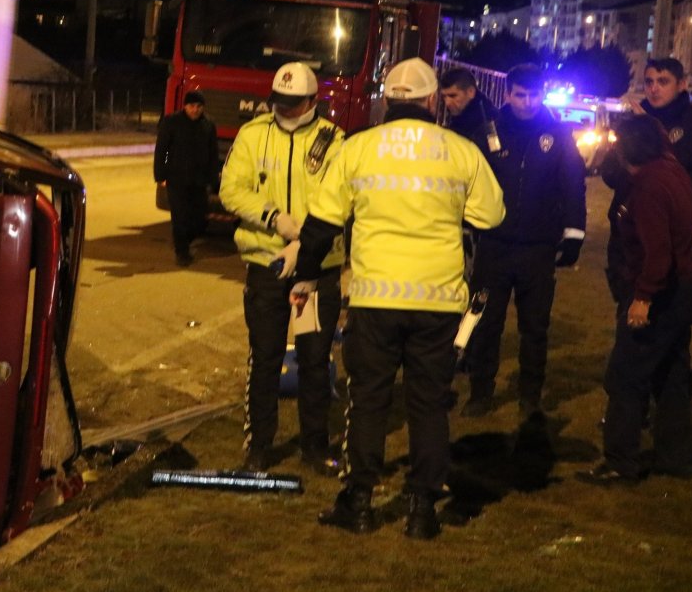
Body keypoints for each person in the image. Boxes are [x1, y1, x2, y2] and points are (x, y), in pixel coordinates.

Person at [291, 58, 504, 540]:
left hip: (375, 298)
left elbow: (321, 223)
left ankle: (360, 501)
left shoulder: (357, 148)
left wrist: (304, 278)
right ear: (432, 102)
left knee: (368, 402)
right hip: (439, 301)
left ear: (388, 101)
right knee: (429, 405)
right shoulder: (461, 149)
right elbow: (491, 216)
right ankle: (423, 510)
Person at [219, 61, 345, 476]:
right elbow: (232, 190)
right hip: (266, 266)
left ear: (314, 100)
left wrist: (303, 243)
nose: (285, 110)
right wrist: (274, 219)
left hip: (316, 269)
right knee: (266, 357)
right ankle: (259, 447)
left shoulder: (334, 141)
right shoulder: (253, 135)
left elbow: (339, 202)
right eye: (280, 103)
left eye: (294, 104)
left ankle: (314, 445)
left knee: (314, 356)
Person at [460, 63, 587, 419]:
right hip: (494, 245)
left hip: (538, 247)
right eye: (520, 94)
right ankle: (480, 392)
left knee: (535, 327)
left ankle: (530, 395)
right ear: (508, 94)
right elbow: (468, 181)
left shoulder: (558, 134)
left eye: (533, 95)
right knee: (485, 322)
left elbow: (573, 184)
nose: (527, 102)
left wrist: (573, 234)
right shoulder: (487, 131)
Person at [578, 114, 692, 485]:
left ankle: (620, 462)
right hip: (682, 290)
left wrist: (642, 298)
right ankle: (675, 458)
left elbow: (657, 252)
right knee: (672, 375)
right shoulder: (671, 169)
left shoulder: (648, 185)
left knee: (626, 376)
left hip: (659, 293)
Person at [598, 57, 692, 295]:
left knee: (664, 307)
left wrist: (672, 184)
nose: (654, 88)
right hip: (626, 227)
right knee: (626, 306)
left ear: (681, 84)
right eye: (649, 81)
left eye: (663, 81)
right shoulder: (633, 121)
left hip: (670, 228)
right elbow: (610, 171)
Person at [154, 90, 219, 266]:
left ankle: (184, 241)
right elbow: (162, 150)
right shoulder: (172, 122)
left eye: (199, 107)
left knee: (199, 218)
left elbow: (213, 153)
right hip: (177, 179)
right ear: (185, 106)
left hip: (199, 180)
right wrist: (160, 174)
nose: (195, 110)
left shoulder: (208, 124)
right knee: (180, 216)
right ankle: (182, 252)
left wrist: (213, 178)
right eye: (192, 106)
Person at [439, 67, 500, 154]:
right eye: (444, 96)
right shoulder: (460, 117)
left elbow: (494, 155)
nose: (447, 102)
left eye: (453, 96)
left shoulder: (489, 121)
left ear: (471, 92)